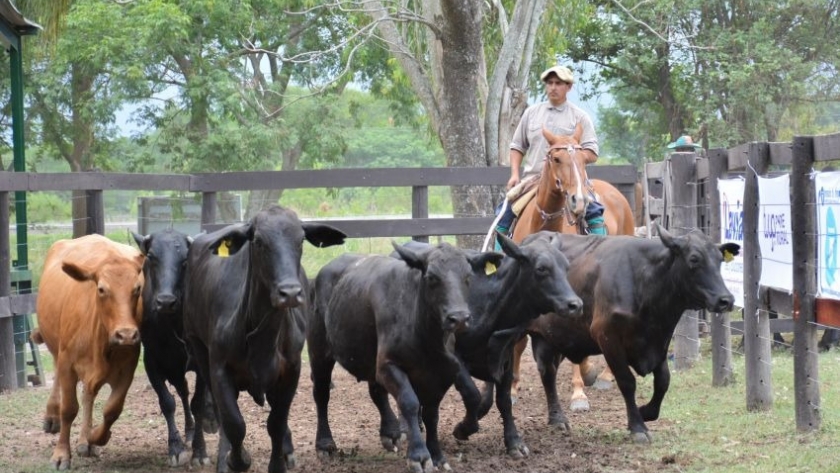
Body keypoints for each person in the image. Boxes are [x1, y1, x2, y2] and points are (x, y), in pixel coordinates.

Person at [494, 65, 605, 245]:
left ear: (569, 87)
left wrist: (572, 156)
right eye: (550, 83)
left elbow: (592, 152)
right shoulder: (531, 114)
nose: (553, 87)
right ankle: (498, 263)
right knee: (504, 213)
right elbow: (517, 146)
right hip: (534, 179)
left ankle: (600, 255)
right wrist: (514, 174)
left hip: (573, 182)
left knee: (593, 212)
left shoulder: (580, 117)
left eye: (558, 83)